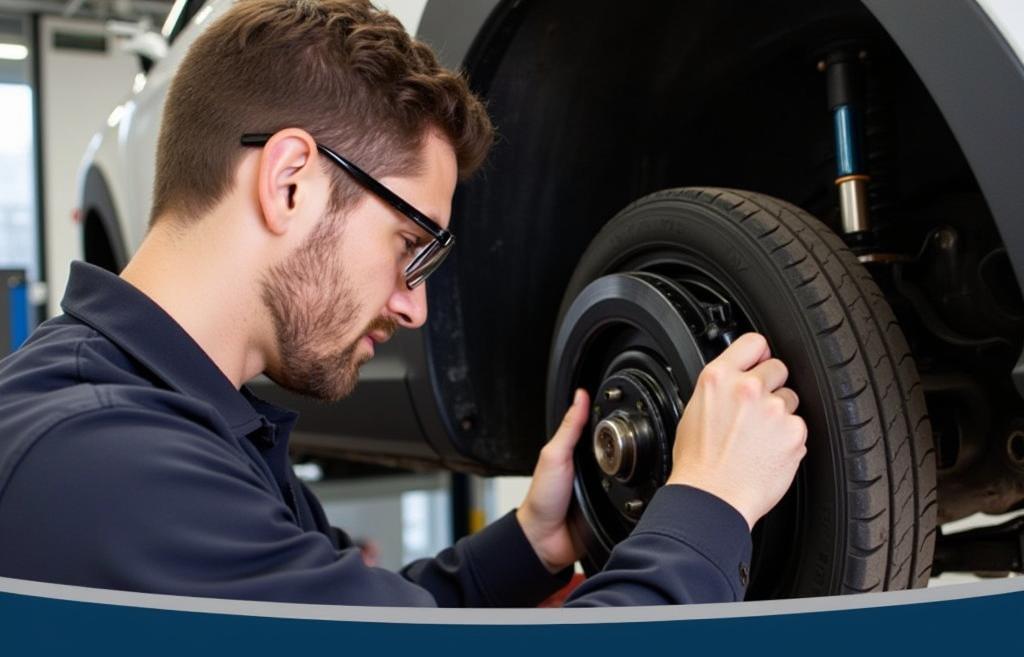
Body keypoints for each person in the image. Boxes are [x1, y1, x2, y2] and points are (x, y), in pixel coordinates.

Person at [0, 0, 806, 607]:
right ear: (290, 183)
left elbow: (362, 640)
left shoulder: (182, 426)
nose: (415, 308)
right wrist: (710, 503)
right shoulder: (107, 469)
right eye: (411, 245)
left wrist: (532, 541)